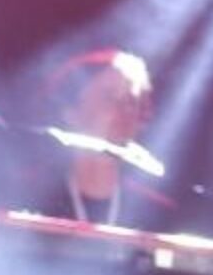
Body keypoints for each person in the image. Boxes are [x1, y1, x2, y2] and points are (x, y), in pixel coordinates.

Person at [40, 47, 161, 225]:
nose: (124, 111)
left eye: (132, 101)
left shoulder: (157, 211)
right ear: (71, 112)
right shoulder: (30, 197)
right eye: (109, 97)